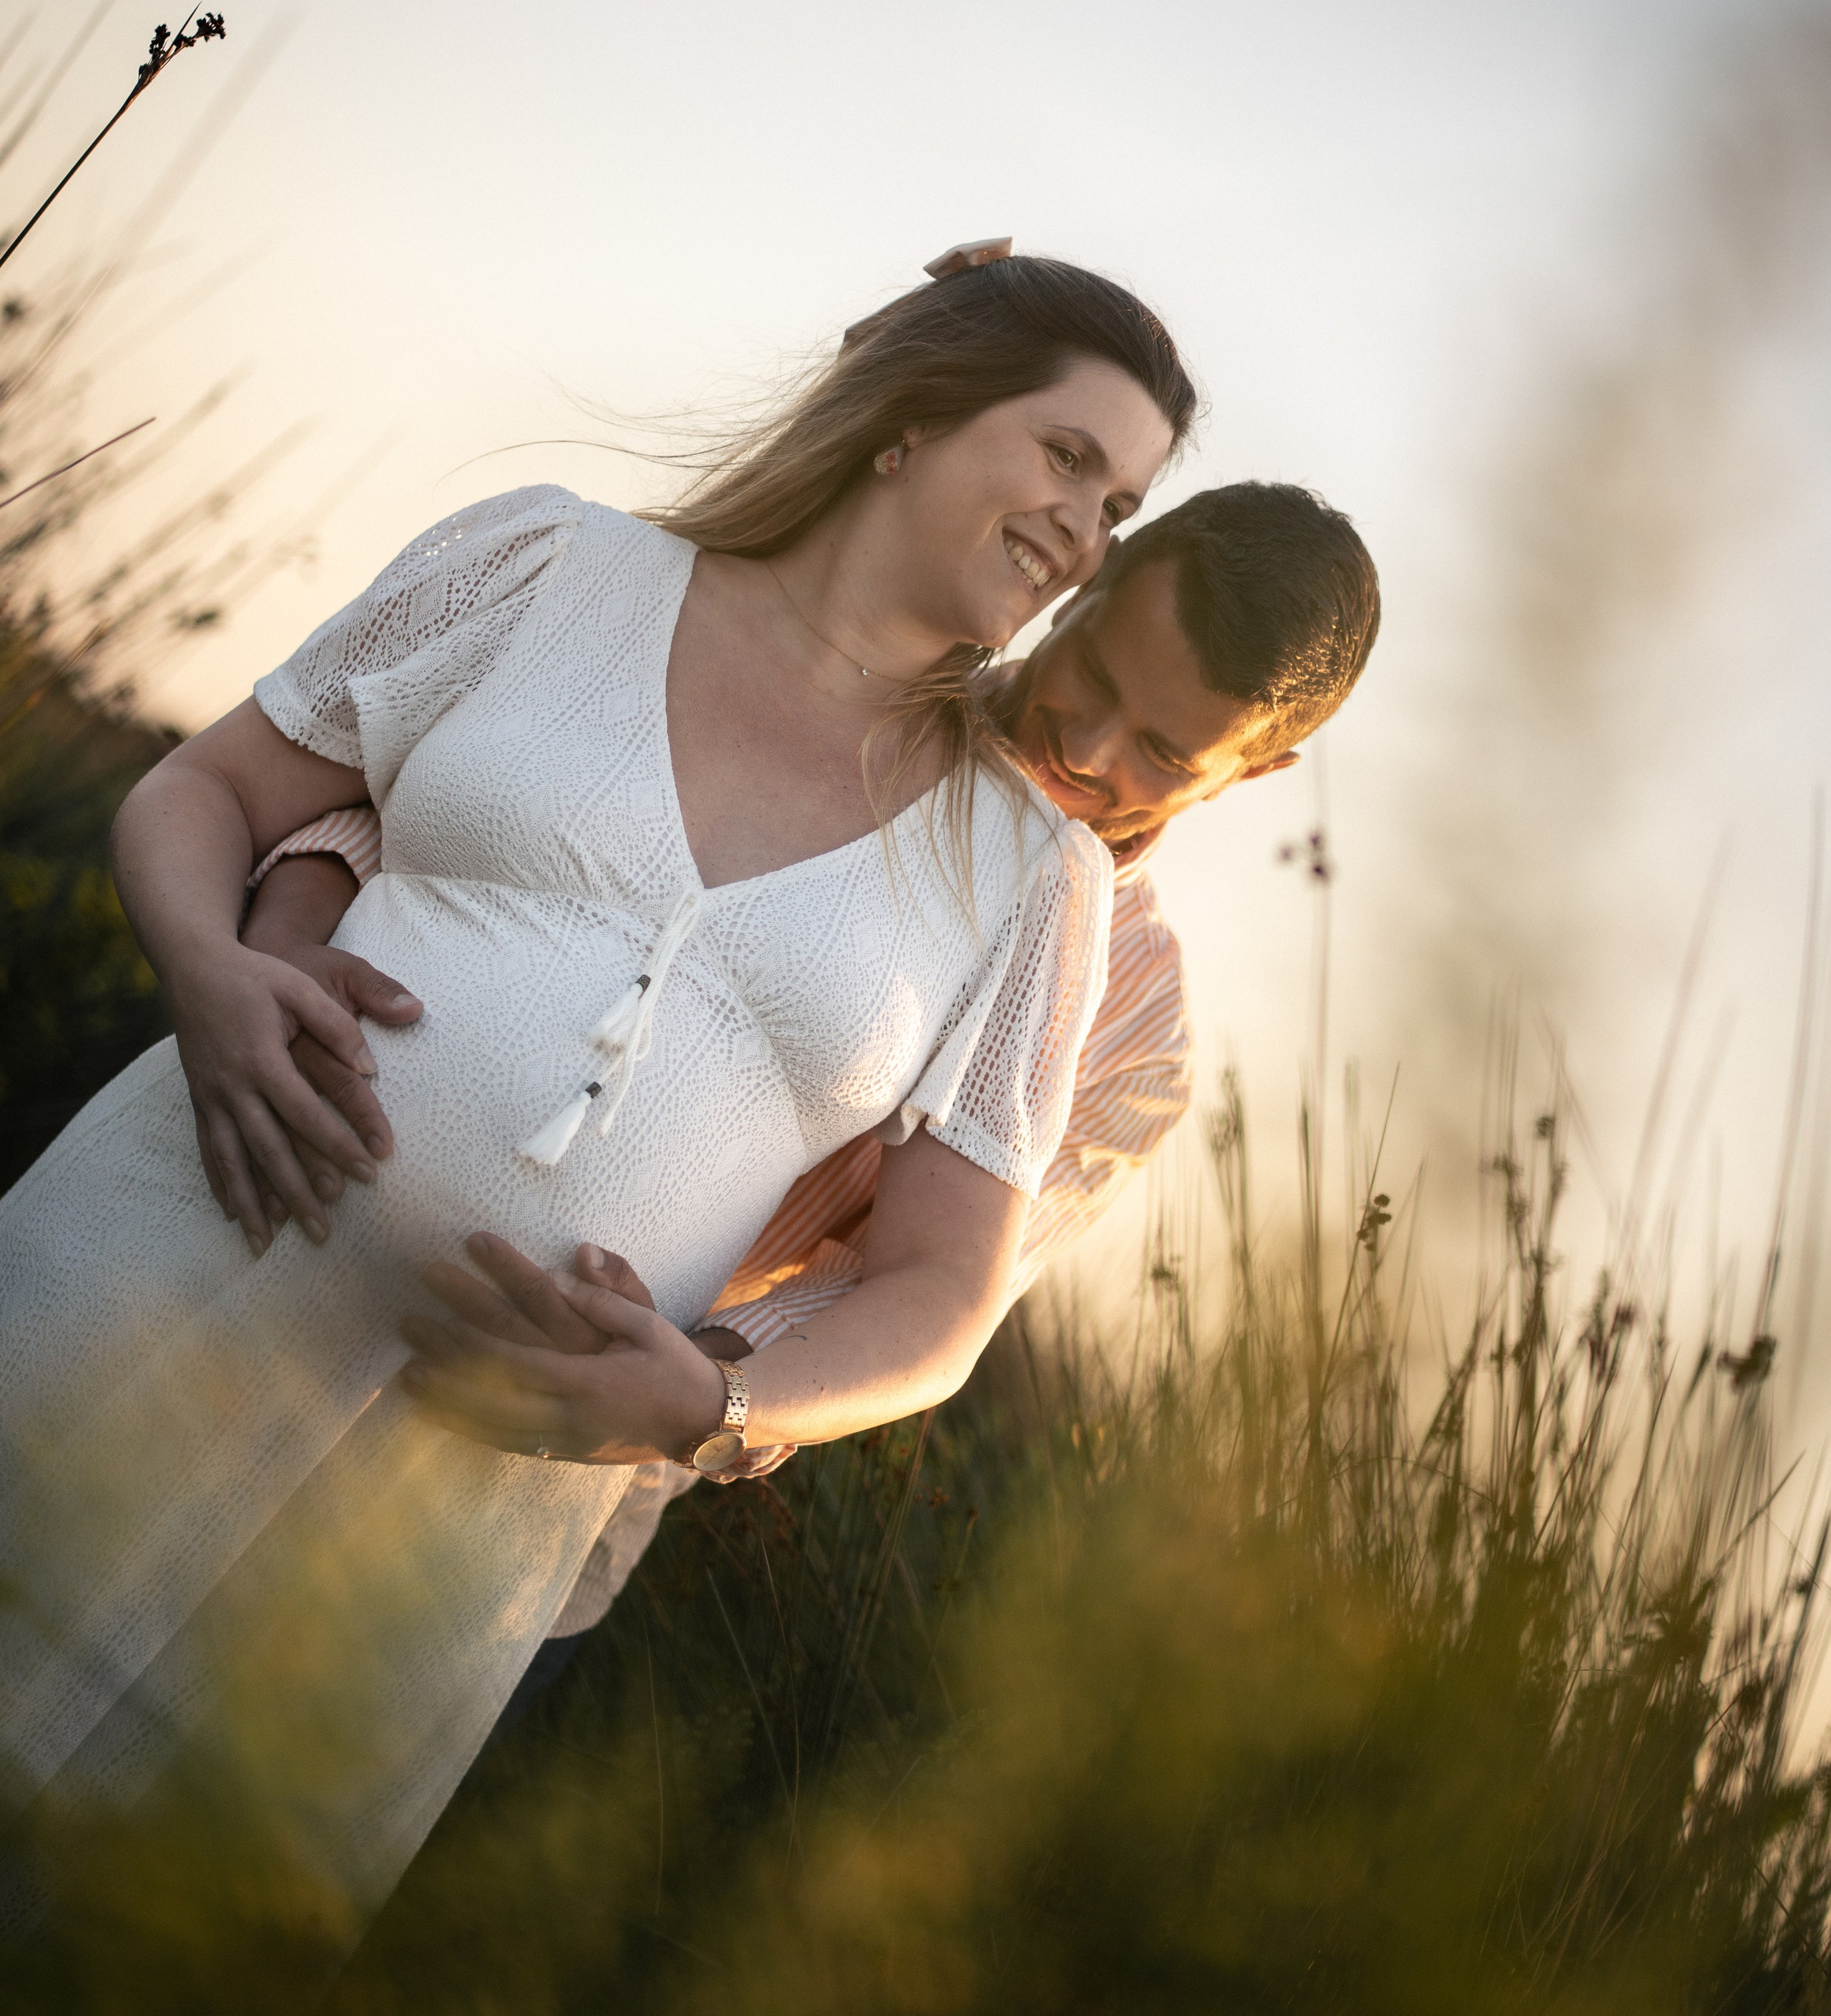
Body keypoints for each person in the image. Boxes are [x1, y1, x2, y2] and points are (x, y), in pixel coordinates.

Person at [0, 247, 1192, 1934]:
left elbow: (938, 1295)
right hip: (142, 1278)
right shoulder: (550, 561)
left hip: (441, 1516)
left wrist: (710, 1412)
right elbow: (205, 790)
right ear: (911, 419)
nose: (1087, 529)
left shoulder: (1027, 879)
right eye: (1068, 457)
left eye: (1122, 507)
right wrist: (215, 974)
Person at [234, 481, 1381, 1690]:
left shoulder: (1131, 1029)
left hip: (551, 1437)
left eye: (1162, 750)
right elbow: (470, 799)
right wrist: (295, 923)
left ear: (1256, 772)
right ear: (1086, 581)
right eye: (1091, 669)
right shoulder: (828, 676)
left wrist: (694, 1385)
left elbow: (916, 1288)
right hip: (277, 1211)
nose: (1084, 748)